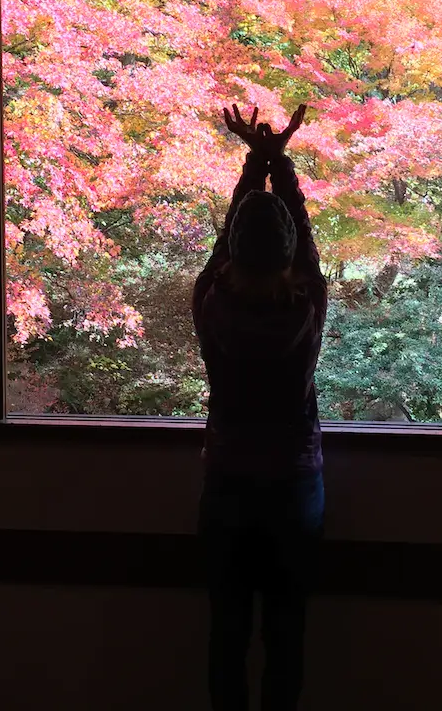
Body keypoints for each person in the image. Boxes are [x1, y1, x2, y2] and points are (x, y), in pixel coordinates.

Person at [193, 103, 328, 711]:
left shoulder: (211, 301)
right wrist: (279, 162)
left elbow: (230, 239)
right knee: (288, 631)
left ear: (233, 252)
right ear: (290, 250)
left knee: (227, 631)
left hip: (226, 479)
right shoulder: (305, 303)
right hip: (294, 484)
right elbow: (300, 239)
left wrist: (257, 161)